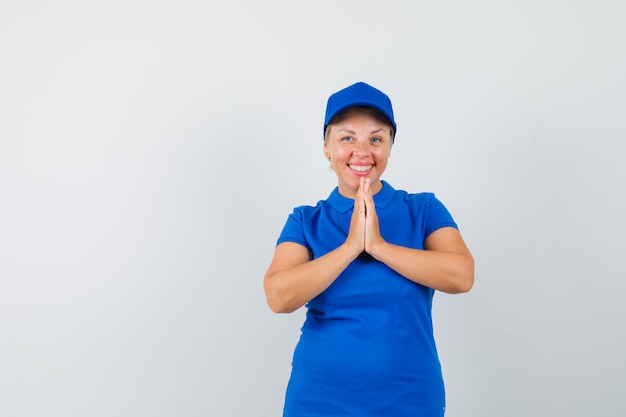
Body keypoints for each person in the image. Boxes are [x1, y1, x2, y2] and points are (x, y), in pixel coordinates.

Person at [263, 82, 474, 417]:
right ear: (326, 148)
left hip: (410, 398)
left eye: (376, 139)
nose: (362, 151)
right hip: (319, 400)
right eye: (347, 138)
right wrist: (350, 247)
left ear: (389, 148)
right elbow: (278, 296)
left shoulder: (424, 210)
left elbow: (461, 276)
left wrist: (378, 246)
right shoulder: (305, 220)